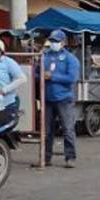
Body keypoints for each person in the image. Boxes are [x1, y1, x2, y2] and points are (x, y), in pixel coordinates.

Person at [37, 29, 80, 167]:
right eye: (52, 41)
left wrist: (52, 77)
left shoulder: (70, 59)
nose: (53, 43)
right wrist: (41, 76)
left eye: (56, 41)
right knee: (47, 131)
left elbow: (72, 78)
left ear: (63, 42)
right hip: (47, 99)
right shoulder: (45, 56)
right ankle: (46, 158)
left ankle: (70, 157)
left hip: (64, 99)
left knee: (67, 129)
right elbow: (35, 74)